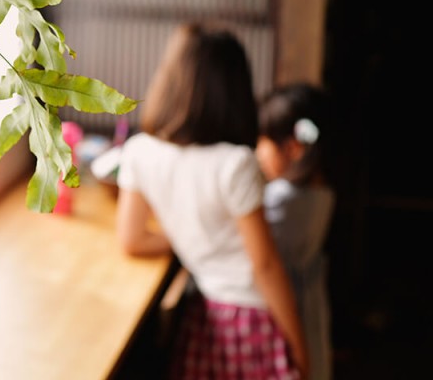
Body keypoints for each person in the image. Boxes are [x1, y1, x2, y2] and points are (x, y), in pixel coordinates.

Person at [114, 22, 308, 379]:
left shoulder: (139, 152)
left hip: (204, 318)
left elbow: (132, 240)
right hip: (252, 319)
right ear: (234, 92)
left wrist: (190, 237)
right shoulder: (235, 164)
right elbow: (264, 266)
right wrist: (299, 348)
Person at [257, 83, 335, 380]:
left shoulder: (281, 201)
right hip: (310, 307)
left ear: (293, 148)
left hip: (285, 311)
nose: (258, 152)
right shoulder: (322, 191)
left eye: (262, 141)